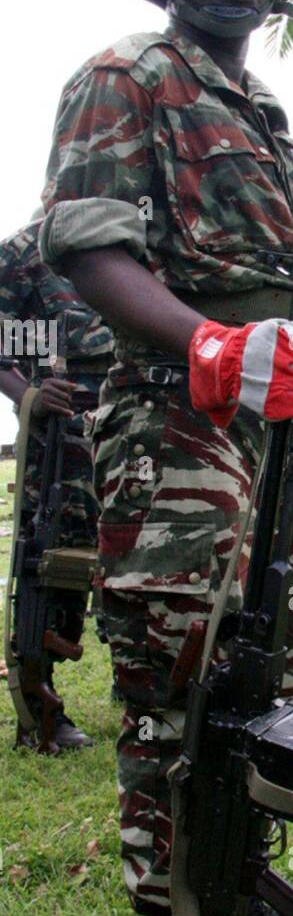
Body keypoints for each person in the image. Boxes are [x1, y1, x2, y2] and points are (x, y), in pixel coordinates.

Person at [38, 0, 293, 916]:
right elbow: (90, 251)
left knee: (257, 686)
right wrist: (218, 349)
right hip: (174, 431)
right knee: (175, 700)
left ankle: (243, 910)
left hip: (264, 447)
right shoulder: (126, 77)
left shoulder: (265, 119)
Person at [0, 220, 113, 750]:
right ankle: (38, 711)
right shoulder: (24, 254)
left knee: (134, 562)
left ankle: (138, 682)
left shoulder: (123, 241)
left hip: (126, 433)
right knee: (54, 569)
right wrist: (31, 394)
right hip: (59, 447)